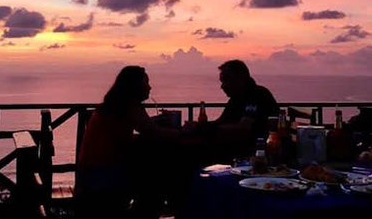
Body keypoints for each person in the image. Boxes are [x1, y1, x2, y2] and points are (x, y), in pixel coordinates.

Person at [76, 66, 178, 219]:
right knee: (157, 183)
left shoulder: (115, 105)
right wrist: (185, 132)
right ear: (135, 86)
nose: (150, 87)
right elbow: (155, 133)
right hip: (104, 175)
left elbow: (131, 132)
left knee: (155, 177)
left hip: (89, 174)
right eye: (146, 82)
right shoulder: (129, 107)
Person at [202, 60, 279, 161]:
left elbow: (243, 128)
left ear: (240, 79)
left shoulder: (257, 96)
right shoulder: (236, 99)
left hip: (253, 154)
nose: (222, 86)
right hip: (236, 148)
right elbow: (221, 122)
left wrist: (205, 129)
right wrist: (200, 126)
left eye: (226, 80)